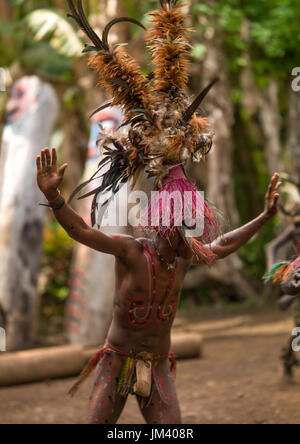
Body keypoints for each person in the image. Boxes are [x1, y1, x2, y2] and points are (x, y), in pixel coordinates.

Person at [36, 146, 281, 424]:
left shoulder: (185, 258)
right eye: (185, 221)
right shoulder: (132, 252)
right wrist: (52, 195)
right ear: (166, 221)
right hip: (116, 360)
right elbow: (81, 231)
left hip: (157, 366)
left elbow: (222, 245)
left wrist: (264, 217)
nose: (191, 229)